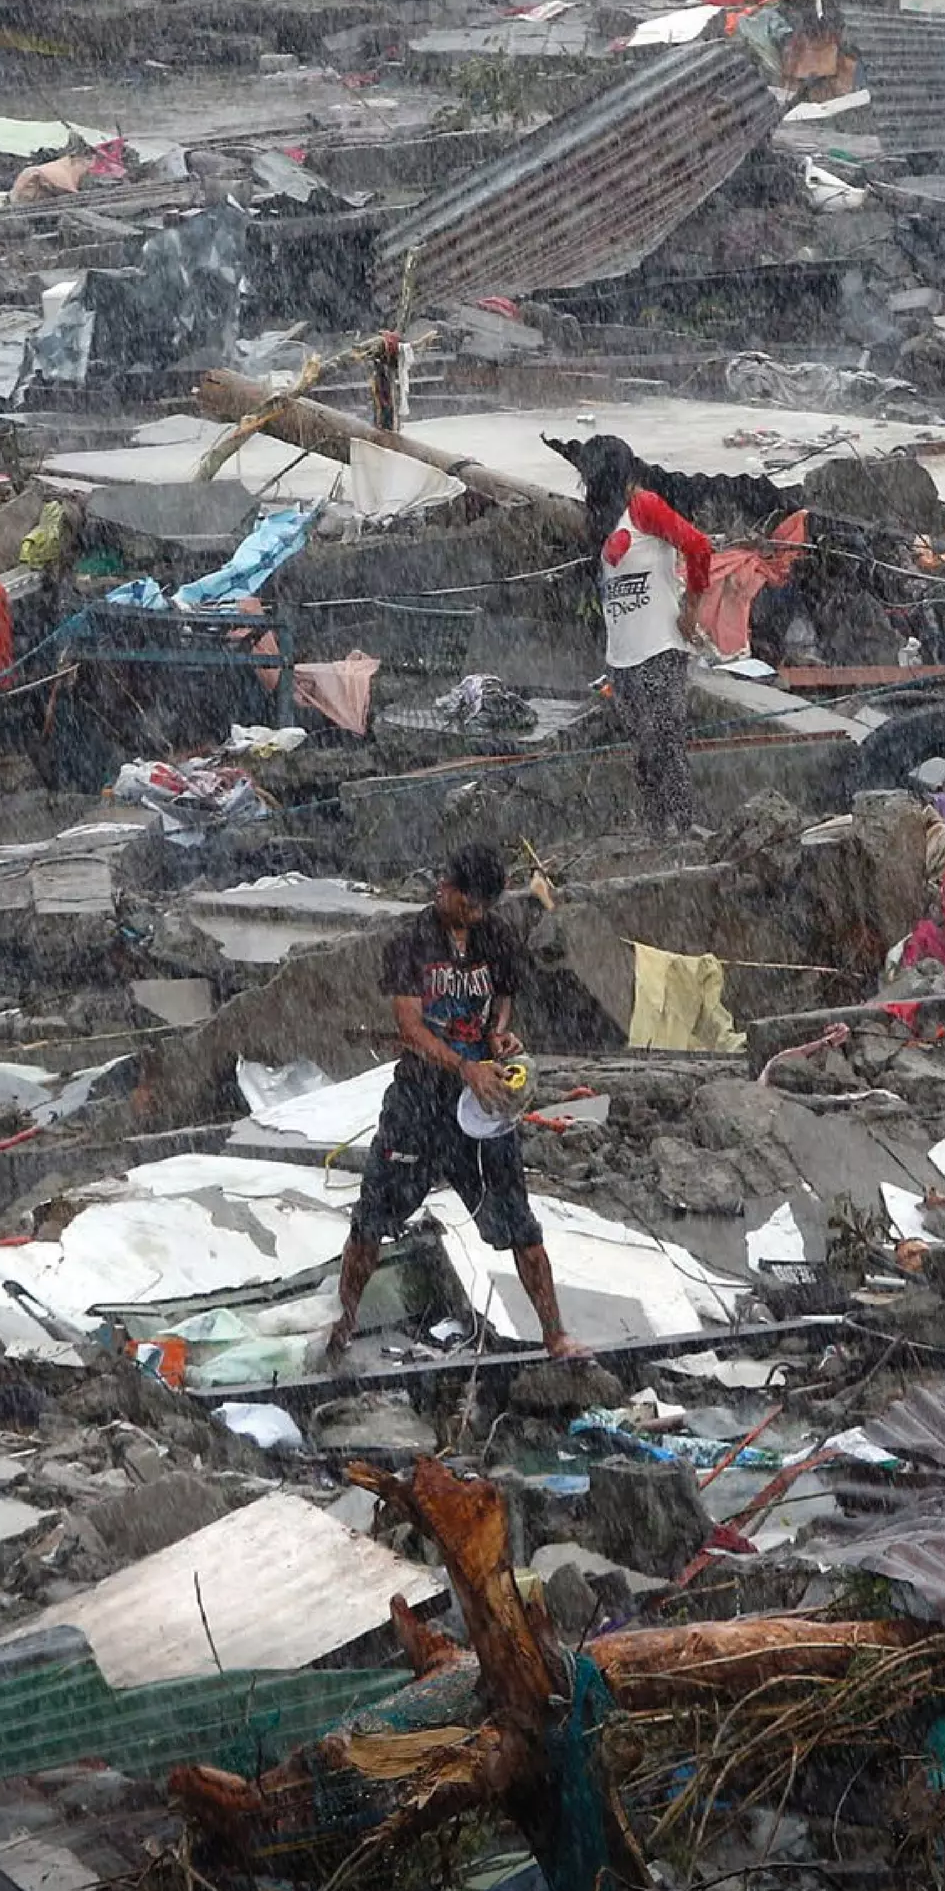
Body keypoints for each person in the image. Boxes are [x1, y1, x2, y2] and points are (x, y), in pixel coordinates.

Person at [328, 845, 586, 1360]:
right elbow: (410, 1027)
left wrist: (498, 1038)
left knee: (517, 1219)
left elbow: (503, 1002)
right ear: (445, 888)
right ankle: (343, 1325)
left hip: (484, 1107)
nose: (473, 915)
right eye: (466, 904)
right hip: (420, 1098)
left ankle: (555, 1335)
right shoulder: (412, 943)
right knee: (373, 1215)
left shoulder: (496, 937)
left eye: (480, 908)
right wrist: (463, 1065)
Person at [590, 453, 714, 841]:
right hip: (622, 656)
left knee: (666, 742)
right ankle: (656, 830)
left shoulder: (643, 506)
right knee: (643, 751)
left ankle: (682, 826)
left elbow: (698, 546)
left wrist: (691, 610)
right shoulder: (607, 518)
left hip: (659, 647)